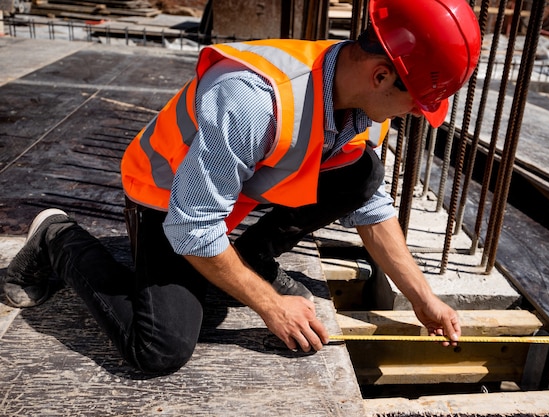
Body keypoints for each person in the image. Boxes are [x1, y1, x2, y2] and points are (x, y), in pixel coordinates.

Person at [2, 0, 481, 374]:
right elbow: (192, 227)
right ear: (381, 75)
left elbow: (369, 206)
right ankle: (57, 238)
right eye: (418, 101)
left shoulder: (361, 99)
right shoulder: (252, 99)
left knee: (363, 173)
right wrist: (271, 306)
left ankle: (250, 259)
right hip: (164, 196)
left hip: (220, 197)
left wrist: (422, 298)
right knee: (158, 348)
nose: (418, 113)